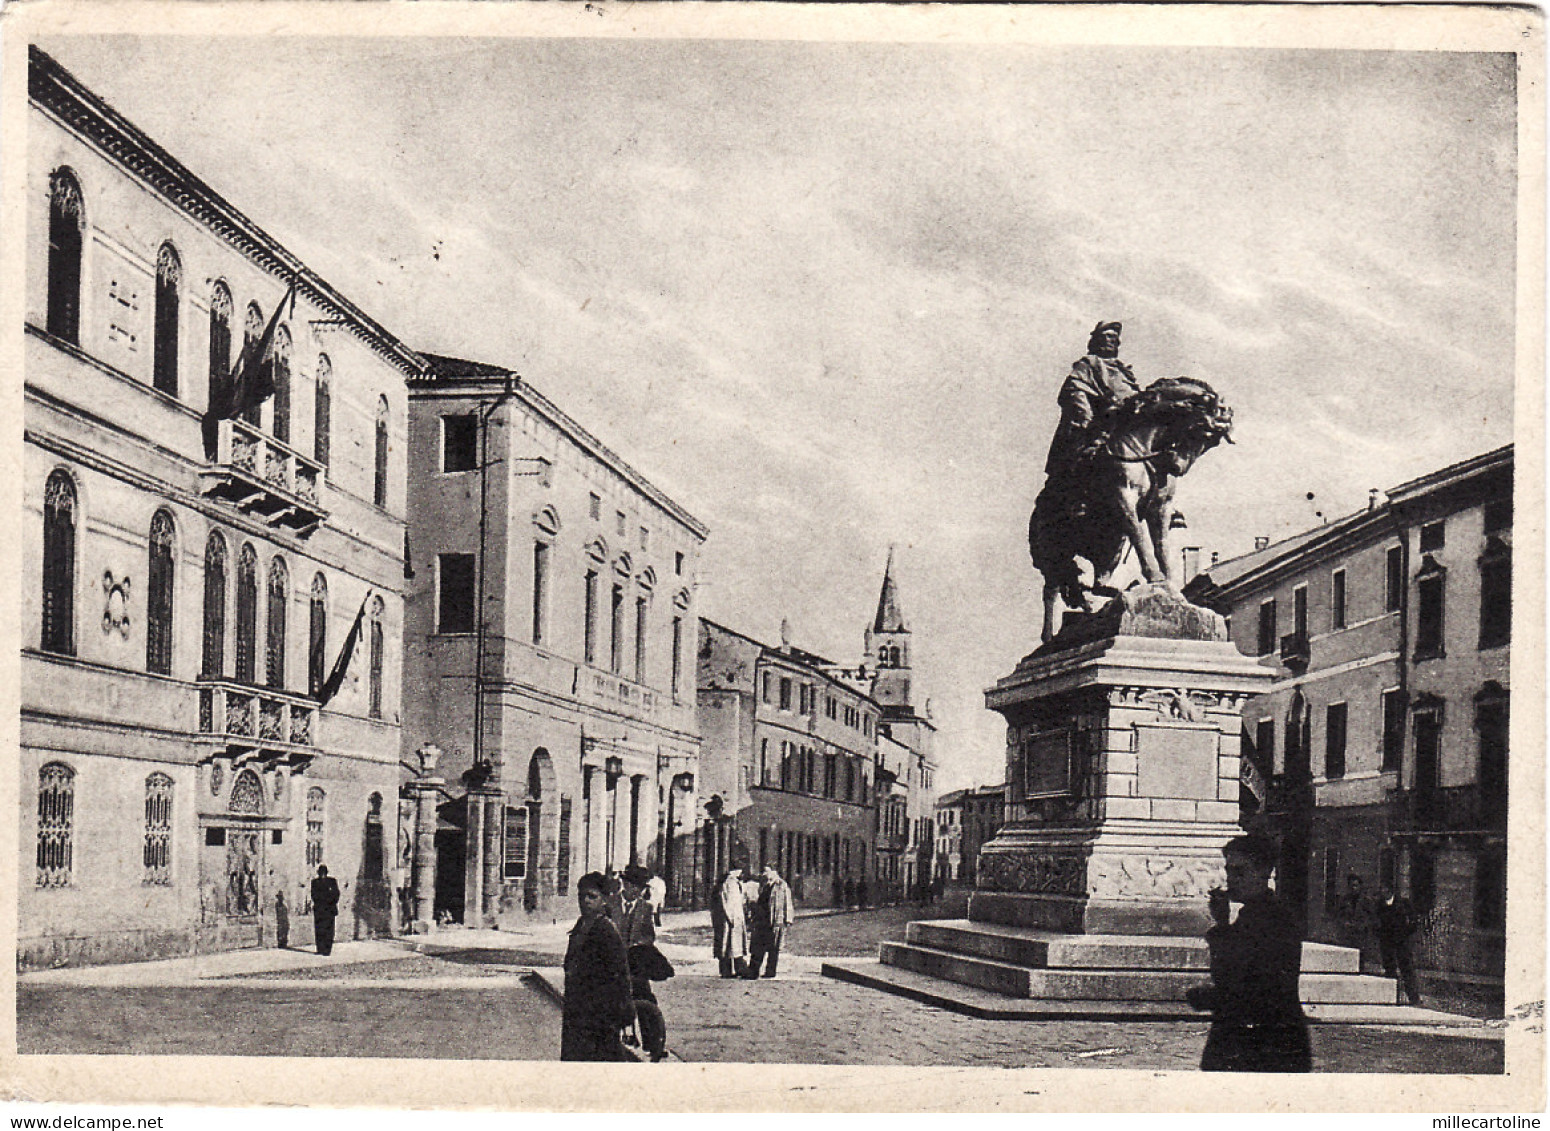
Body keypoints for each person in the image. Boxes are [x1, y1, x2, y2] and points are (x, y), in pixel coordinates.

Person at [1185, 835, 1311, 1072]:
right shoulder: (1252, 916)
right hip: (1254, 1039)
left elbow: (1252, 986)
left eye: (1240, 872)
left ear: (1264, 872)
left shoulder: (1275, 920)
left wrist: (1207, 998)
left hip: (1265, 1044)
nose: (1231, 880)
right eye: (1229, 871)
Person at [1042, 321, 1142, 505]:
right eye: (1104, 336)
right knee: (1088, 451)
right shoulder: (1088, 364)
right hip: (1100, 420)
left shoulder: (1123, 372)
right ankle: (1077, 495)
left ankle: (1160, 497)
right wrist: (1084, 412)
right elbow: (1074, 387)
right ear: (1095, 341)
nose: (1109, 340)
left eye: (1113, 337)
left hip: (1125, 423)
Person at [560, 872, 635, 1061]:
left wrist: (623, 1013)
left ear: (604, 900)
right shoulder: (580, 927)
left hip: (600, 1014)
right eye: (581, 896)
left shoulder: (606, 930)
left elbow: (620, 974)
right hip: (577, 1011)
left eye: (592, 896)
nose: (585, 901)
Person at [1375, 880, 1422, 1006]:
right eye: (1381, 889)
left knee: (1406, 968)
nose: (1382, 892)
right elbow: (1376, 921)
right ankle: (1391, 998)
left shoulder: (1403, 903)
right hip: (1387, 942)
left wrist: (1406, 932)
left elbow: (1414, 921)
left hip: (1401, 941)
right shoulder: (1379, 905)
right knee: (1389, 968)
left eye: (1384, 889)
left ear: (1391, 890)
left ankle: (1414, 998)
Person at [746, 865, 796, 979]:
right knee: (758, 946)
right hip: (762, 921)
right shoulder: (764, 885)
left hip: (775, 920)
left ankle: (770, 971)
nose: (764, 874)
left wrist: (788, 919)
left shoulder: (781, 885)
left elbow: (787, 903)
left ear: (774, 872)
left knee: (773, 948)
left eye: (767, 872)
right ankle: (753, 971)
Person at [714, 867, 750, 978]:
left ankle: (731, 969)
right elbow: (728, 902)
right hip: (731, 918)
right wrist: (731, 918)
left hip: (737, 918)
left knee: (733, 945)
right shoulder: (730, 883)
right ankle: (731, 970)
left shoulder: (736, 883)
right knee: (729, 944)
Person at [619, 864, 656, 950]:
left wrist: (638, 945)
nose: (637, 890)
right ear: (625, 884)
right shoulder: (610, 904)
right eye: (633, 885)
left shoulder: (646, 908)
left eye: (641, 887)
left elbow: (649, 935)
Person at [310, 865, 340, 957]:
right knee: (319, 929)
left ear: (326, 873)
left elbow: (336, 894)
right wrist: (321, 902)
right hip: (319, 909)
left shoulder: (332, 881)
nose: (322, 875)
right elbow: (313, 895)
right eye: (320, 873)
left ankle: (327, 950)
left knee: (329, 930)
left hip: (329, 909)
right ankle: (320, 949)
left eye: (323, 873)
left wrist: (330, 902)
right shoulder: (315, 882)